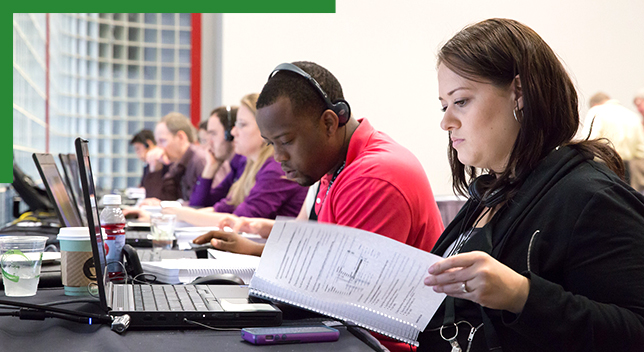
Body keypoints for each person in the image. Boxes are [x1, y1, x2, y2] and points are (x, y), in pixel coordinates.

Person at [419, 18, 644, 352]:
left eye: (461, 101)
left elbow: (635, 332)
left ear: (520, 93)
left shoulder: (590, 197)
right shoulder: (490, 194)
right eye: (443, 105)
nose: (446, 121)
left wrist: (521, 295)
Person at [195, 61, 444, 261]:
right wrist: (253, 249)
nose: (278, 157)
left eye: (286, 140)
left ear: (329, 123)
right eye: (271, 144)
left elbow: (344, 287)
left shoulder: (372, 175)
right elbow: (322, 252)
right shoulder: (334, 165)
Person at [162, 94, 307, 225]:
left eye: (242, 125)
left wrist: (181, 214)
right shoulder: (250, 164)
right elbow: (224, 207)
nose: (233, 132)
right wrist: (178, 214)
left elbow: (240, 219)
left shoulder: (276, 169)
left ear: (266, 130)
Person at [141, 112, 207, 202]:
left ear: (181, 137)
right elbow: (157, 201)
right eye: (157, 142)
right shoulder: (177, 164)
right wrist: (155, 168)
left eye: (162, 141)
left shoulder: (199, 160)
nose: (159, 148)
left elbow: (201, 204)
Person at [580, 92, 644, 185]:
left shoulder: (596, 112)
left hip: (604, 167)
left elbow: (589, 139)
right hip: (626, 169)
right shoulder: (632, 116)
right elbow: (641, 150)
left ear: (594, 104)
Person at [189, 105, 242, 205]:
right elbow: (197, 204)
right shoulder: (234, 169)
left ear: (229, 135)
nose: (210, 143)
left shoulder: (245, 167)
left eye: (213, 134)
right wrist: (210, 168)